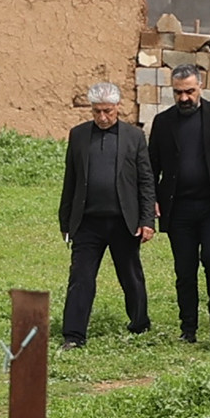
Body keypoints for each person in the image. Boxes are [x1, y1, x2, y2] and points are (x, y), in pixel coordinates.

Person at [57, 82, 156, 350]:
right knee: (81, 277)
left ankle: (139, 324)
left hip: (124, 221)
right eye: (97, 111)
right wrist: (65, 221)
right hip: (87, 223)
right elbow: (71, 180)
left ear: (117, 108)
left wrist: (147, 220)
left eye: (108, 111)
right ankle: (74, 335)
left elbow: (146, 181)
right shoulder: (78, 136)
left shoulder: (134, 137)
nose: (103, 117)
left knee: (131, 275)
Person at [148, 64, 210, 343]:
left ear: (201, 86)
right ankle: (187, 327)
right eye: (178, 93)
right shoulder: (163, 122)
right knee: (185, 270)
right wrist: (152, 197)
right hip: (179, 208)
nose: (184, 98)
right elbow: (150, 166)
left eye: (189, 91)